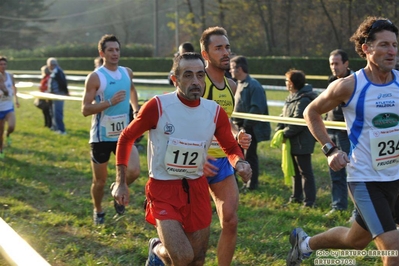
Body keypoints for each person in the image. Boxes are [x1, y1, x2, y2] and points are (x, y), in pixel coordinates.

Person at [111, 52, 252, 266]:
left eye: (199, 75)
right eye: (188, 75)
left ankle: (158, 251)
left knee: (197, 260)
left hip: (197, 189)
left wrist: (239, 162)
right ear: (175, 79)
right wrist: (121, 182)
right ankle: (157, 248)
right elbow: (126, 137)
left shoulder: (214, 111)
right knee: (183, 256)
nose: (195, 81)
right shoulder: (158, 106)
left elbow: (230, 146)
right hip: (163, 189)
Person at [287, 17, 399, 266]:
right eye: (383, 45)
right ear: (366, 48)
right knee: (393, 248)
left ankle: (304, 244)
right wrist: (330, 149)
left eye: (394, 44)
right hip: (367, 180)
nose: (391, 51)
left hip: (397, 175)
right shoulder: (349, 86)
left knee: (355, 240)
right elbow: (311, 112)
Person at [200, 26, 252, 266]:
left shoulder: (231, 86)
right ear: (205, 53)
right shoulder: (198, 82)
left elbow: (226, 121)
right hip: (195, 163)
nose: (225, 52)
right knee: (193, 230)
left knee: (230, 220)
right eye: (218, 48)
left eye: (227, 47)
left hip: (221, 161)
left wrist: (237, 134)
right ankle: (159, 249)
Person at [82, 34, 141, 225]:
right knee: (99, 181)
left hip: (123, 134)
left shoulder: (127, 72)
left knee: (133, 171)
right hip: (101, 137)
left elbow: (131, 89)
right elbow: (85, 109)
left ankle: (118, 186)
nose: (115, 53)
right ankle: (98, 210)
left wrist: (135, 107)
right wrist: (109, 102)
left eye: (117, 49)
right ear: (102, 53)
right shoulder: (95, 77)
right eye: (110, 50)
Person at [276, 70, 318, 208]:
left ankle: (309, 201)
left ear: (292, 83)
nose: (286, 83)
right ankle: (296, 197)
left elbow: (298, 121)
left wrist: (284, 134)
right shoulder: (291, 97)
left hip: (302, 142)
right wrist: (279, 129)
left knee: (305, 172)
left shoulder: (304, 99)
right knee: (295, 172)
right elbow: (283, 116)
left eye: (287, 81)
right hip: (291, 141)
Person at [230, 55, 271, 190]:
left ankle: (252, 185)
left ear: (239, 69)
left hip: (250, 128)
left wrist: (246, 126)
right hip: (240, 128)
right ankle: (245, 183)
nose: (230, 71)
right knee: (241, 157)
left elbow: (256, 108)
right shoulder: (238, 85)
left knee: (250, 156)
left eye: (232, 68)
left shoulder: (253, 85)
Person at [0, 56, 19, 159]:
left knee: (12, 126)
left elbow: (14, 87)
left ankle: (8, 134)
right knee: (0, 133)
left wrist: (16, 99)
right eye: (1, 64)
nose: (3, 66)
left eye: (4, 64)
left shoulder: (10, 76)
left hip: (8, 107)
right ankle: (1, 150)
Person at [46, 57, 69, 135]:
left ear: (51, 65)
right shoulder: (56, 71)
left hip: (58, 95)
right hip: (54, 95)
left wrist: (66, 92)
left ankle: (61, 130)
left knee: (57, 112)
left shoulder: (57, 71)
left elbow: (63, 83)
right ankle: (55, 127)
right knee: (53, 112)